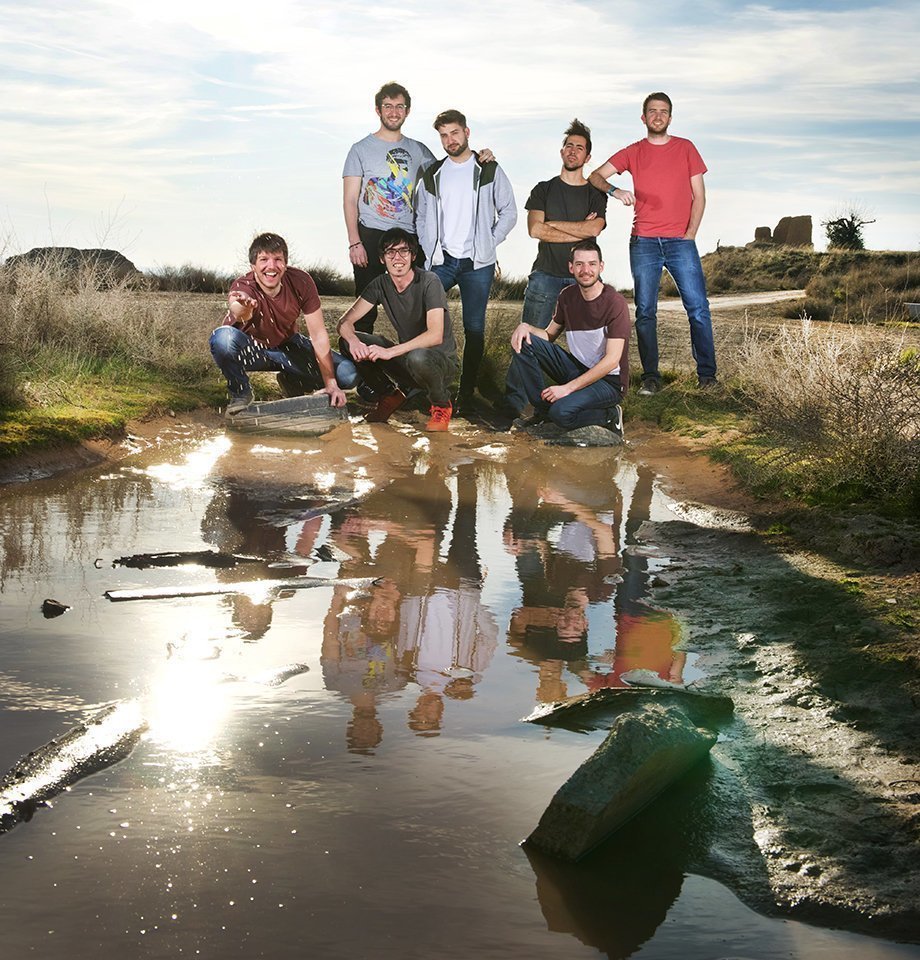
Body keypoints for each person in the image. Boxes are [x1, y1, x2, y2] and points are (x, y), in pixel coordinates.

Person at [589, 92, 717, 394]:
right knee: (646, 311)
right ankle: (651, 377)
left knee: (698, 309)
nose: (657, 116)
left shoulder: (686, 148)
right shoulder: (633, 152)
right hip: (643, 241)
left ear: (670, 118)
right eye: (652, 111)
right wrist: (615, 190)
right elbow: (596, 175)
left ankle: (708, 377)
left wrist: (690, 234)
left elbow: (699, 196)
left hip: (680, 242)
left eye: (663, 112)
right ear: (643, 117)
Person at [415, 109, 517, 416]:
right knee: (425, 321)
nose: (449, 140)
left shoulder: (488, 169)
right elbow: (421, 215)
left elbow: (509, 212)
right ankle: (432, 389)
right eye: (444, 135)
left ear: (467, 132)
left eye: (454, 133)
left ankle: (467, 393)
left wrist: (488, 242)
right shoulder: (432, 173)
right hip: (442, 261)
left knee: (474, 329)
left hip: (477, 264)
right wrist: (429, 248)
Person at [209, 233, 357, 415]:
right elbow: (239, 312)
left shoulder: (301, 281)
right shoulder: (242, 286)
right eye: (263, 259)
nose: (271, 266)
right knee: (222, 338)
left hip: (287, 348)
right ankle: (240, 393)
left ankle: (293, 380)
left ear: (285, 264)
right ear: (253, 266)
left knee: (348, 374)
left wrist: (330, 383)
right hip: (252, 351)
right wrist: (245, 306)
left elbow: (318, 335)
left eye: (277, 259)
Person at [337, 228, 459, 432]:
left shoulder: (429, 281)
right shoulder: (380, 284)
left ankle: (441, 405)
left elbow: (435, 335)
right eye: (390, 252)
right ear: (382, 259)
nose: (397, 257)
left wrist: (389, 351)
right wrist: (354, 341)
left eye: (403, 251)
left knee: (418, 357)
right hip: (407, 360)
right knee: (347, 341)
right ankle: (389, 396)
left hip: (440, 364)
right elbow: (344, 322)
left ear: (413, 255)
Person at [505, 239, 629, 433]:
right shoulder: (567, 296)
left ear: (601, 267)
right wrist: (525, 327)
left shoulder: (615, 302)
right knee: (524, 340)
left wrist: (567, 388)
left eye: (592, 264)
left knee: (561, 413)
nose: (585, 270)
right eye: (579, 264)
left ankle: (610, 415)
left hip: (608, 382)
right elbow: (548, 335)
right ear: (571, 267)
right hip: (577, 368)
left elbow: (612, 361)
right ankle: (543, 411)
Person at [342, 81, 434, 336]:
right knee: (364, 313)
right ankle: (359, 371)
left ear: (407, 111)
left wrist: (480, 157)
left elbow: (449, 176)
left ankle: (413, 367)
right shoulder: (359, 149)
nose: (394, 112)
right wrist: (354, 242)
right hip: (371, 235)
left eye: (399, 106)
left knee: (416, 310)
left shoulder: (420, 151)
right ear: (378, 110)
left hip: (408, 236)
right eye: (388, 106)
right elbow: (350, 199)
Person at [520, 119, 611, 331]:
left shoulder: (596, 194)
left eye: (579, 148)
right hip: (545, 276)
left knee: (592, 347)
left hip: (585, 277)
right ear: (562, 152)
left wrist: (551, 225)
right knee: (530, 343)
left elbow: (594, 229)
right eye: (569, 146)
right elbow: (535, 230)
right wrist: (582, 232)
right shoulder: (542, 189)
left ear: (587, 157)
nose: (573, 151)